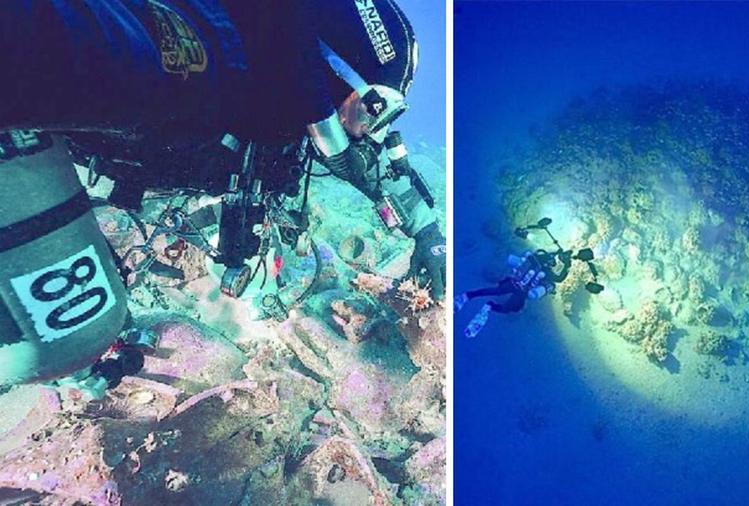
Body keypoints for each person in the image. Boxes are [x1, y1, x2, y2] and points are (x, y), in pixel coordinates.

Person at [0, 0, 444, 390]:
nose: (367, 132)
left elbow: (377, 170)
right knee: (67, 340)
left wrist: (428, 233)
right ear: (329, 63)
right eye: (374, 107)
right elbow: (42, 36)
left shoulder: (276, 119)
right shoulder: (202, 58)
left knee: (73, 337)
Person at [456, 249, 573, 338]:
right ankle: (490, 306)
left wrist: (556, 253)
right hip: (522, 292)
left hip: (513, 282)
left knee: (494, 291)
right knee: (506, 308)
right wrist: (567, 265)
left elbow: (524, 256)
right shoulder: (547, 272)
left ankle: (468, 296)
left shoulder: (534, 257)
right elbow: (560, 278)